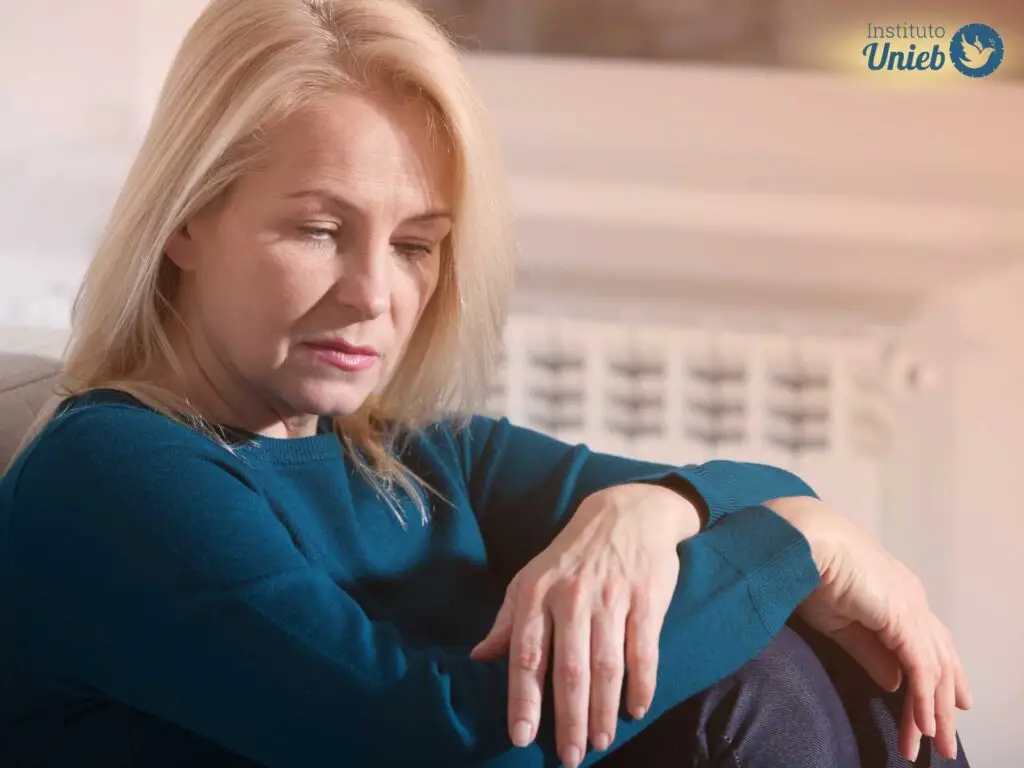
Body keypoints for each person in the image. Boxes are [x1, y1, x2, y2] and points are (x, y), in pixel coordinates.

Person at [0, 1, 971, 766]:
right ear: (186, 221)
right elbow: (443, 748)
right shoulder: (112, 475)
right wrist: (800, 541)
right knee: (750, 668)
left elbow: (763, 505)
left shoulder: (415, 454)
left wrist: (651, 508)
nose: (374, 294)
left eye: (416, 244)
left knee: (819, 647)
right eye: (316, 229)